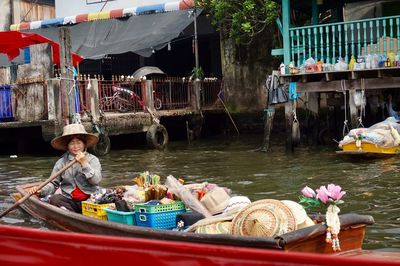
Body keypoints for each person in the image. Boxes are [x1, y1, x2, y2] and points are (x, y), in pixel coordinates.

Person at [29, 123, 102, 213]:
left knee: (103, 201)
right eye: (72, 143)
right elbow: (53, 184)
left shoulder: (93, 160)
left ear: (84, 144)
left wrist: (84, 163)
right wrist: (41, 190)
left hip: (91, 199)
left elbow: (96, 181)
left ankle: (78, 214)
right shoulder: (61, 162)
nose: (76, 147)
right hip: (70, 201)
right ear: (67, 146)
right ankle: (73, 216)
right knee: (55, 199)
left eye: (79, 143)